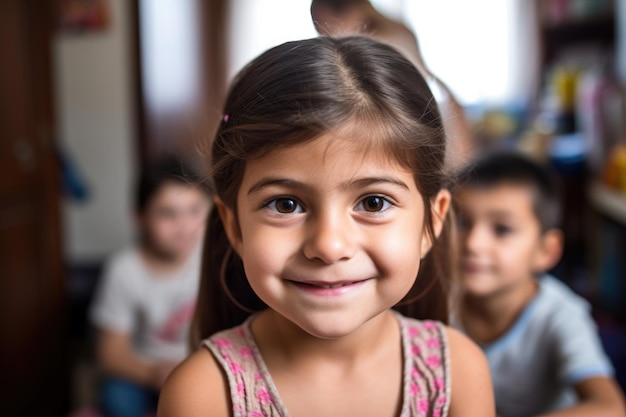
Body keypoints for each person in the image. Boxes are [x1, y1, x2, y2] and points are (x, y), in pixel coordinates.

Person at [157, 36, 494, 417]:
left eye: (373, 203)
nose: (329, 245)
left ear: (430, 223)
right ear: (234, 226)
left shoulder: (459, 373)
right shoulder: (203, 394)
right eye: (286, 205)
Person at [452, 151, 626, 417]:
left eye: (502, 229)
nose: (473, 243)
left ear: (546, 251)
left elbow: (610, 407)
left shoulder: (560, 314)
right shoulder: (440, 301)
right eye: (462, 223)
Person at [89, 157, 211, 417]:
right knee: (116, 399)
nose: (185, 226)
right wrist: (154, 372)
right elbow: (110, 353)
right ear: (140, 217)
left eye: (195, 211)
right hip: (147, 370)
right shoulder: (123, 270)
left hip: (202, 365)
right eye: (167, 213)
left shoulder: (215, 258)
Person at [310, 0, 475, 169]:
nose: (321, 32)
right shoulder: (398, 31)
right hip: (434, 115)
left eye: (319, 22)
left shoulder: (360, 49)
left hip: (412, 125)